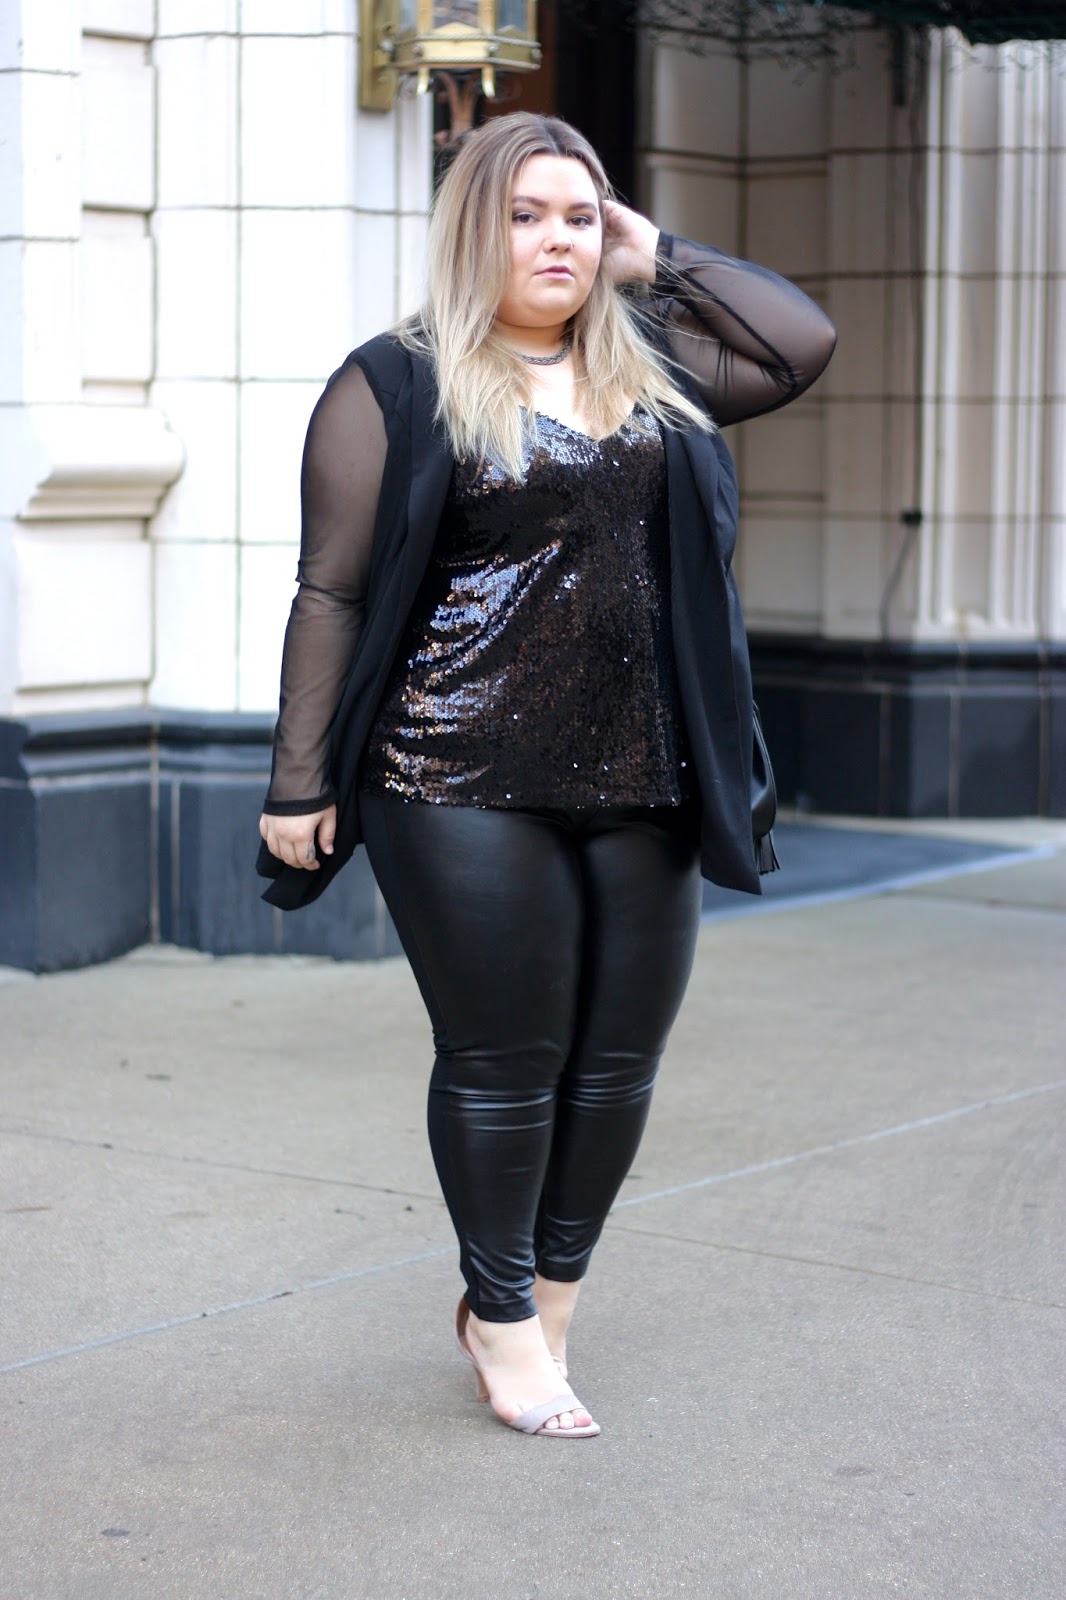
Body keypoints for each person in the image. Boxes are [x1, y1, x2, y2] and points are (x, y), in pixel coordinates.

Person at [257, 112, 835, 1439]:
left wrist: (652, 251)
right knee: (505, 1056)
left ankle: (548, 1302)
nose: (557, 239)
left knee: (617, 1062)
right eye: (525, 215)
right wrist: (298, 781)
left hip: (647, 769)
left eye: (579, 215)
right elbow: (330, 592)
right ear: (475, 230)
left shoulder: (654, 366)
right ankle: (503, 1313)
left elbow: (796, 345)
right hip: (453, 766)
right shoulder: (394, 383)